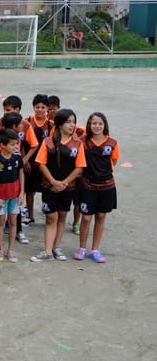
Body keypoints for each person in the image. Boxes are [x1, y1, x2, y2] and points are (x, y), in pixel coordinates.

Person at [30, 109, 86, 262]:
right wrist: (53, 182)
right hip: (49, 186)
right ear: (60, 124)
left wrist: (64, 183)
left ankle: (56, 248)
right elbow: (41, 163)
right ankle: (47, 251)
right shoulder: (48, 142)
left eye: (73, 121)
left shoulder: (77, 144)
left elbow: (80, 167)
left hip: (68, 187)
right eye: (68, 121)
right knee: (51, 218)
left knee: (62, 216)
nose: (72, 125)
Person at [74, 112, 119, 263]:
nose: (97, 126)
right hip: (87, 186)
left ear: (105, 125)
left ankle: (95, 250)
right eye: (94, 123)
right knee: (86, 218)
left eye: (100, 123)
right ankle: (82, 248)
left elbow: (114, 160)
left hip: (106, 187)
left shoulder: (112, 143)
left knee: (100, 217)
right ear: (89, 125)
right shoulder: (82, 141)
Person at [0, 129, 25, 263]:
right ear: (3, 145)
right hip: (1, 196)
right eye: (13, 144)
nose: (15, 147)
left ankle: (10, 250)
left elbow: (21, 174)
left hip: (14, 195)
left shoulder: (17, 157)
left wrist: (21, 193)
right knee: (0, 221)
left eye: (16, 144)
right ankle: (0, 249)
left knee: (13, 222)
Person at [24, 94, 53, 226]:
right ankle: (30, 215)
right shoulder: (26, 122)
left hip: (44, 164)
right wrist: (25, 160)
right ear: (33, 107)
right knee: (29, 191)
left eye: (43, 107)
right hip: (29, 162)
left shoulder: (51, 125)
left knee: (46, 190)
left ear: (48, 109)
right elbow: (21, 142)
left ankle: (47, 213)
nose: (40, 110)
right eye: (37, 107)